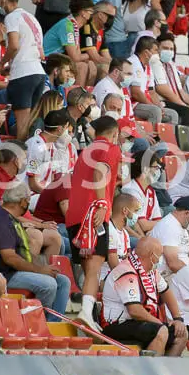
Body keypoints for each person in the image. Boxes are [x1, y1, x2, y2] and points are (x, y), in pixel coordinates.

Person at [0, 182, 71, 323]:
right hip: (5, 274)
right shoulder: (0, 220)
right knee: (49, 284)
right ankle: (36, 324)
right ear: (23, 202)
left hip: (16, 271)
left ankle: (52, 323)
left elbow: (24, 254)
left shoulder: (12, 219)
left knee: (63, 281)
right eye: (28, 201)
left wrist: (44, 268)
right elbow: (10, 258)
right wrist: (40, 270)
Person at [65, 116, 122, 332]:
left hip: (74, 215)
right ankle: (85, 313)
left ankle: (86, 315)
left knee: (89, 267)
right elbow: (100, 171)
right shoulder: (111, 149)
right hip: (93, 214)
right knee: (95, 267)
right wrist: (101, 204)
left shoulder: (85, 151)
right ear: (114, 132)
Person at [0, 0, 46, 141]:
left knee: (22, 124)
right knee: (30, 122)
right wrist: (12, 65)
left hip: (23, 75)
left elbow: (14, 45)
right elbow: (38, 50)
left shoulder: (11, 17)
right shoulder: (32, 18)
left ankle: (22, 159)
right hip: (38, 73)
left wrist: (1, 64)